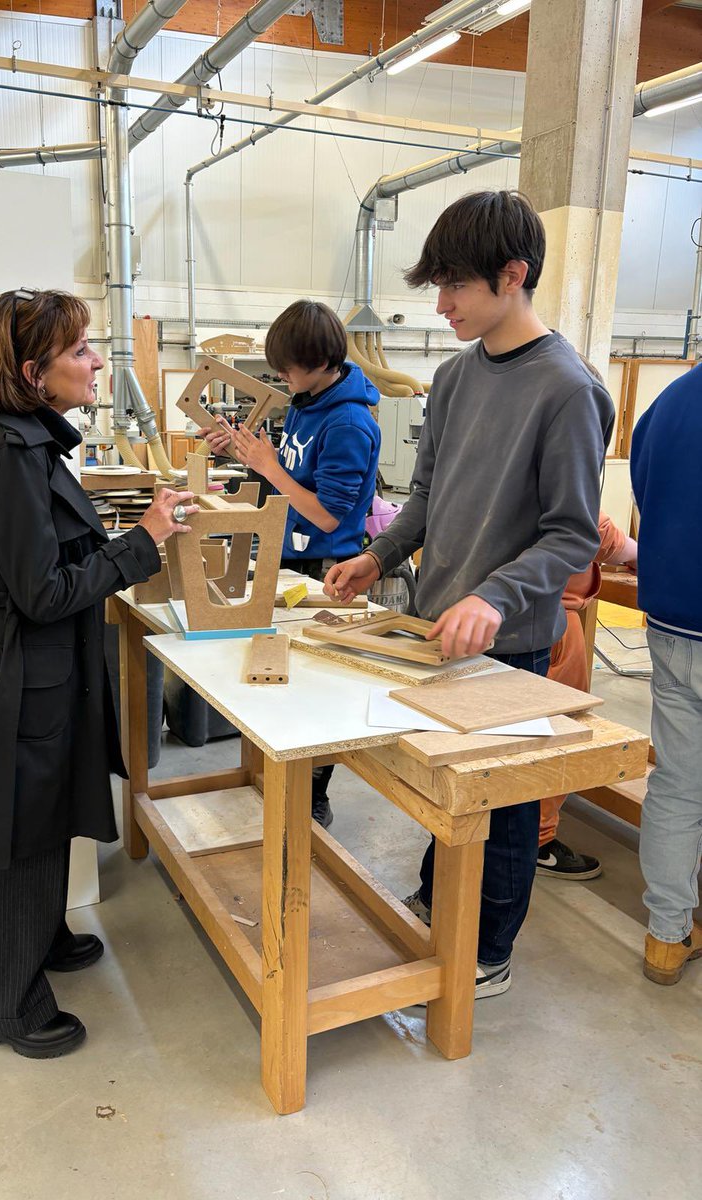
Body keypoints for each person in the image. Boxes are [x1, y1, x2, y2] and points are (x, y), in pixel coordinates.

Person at [325, 190, 614, 998]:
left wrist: (494, 595)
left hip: (512, 637)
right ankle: (436, 898)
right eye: (438, 285)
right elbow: (424, 495)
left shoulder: (568, 389)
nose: (442, 304)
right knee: (447, 790)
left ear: (513, 275)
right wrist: (373, 554)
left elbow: (570, 532)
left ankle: (486, 949)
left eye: (455, 286)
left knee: (504, 803)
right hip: (430, 627)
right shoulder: (453, 378)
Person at [0, 288, 196, 1057]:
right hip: (21, 670)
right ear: (32, 371)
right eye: (79, 350)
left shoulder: (27, 440)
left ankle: (41, 938)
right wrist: (141, 542)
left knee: (43, 814)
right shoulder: (9, 451)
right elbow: (42, 592)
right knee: (18, 829)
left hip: (34, 667)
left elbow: (46, 557)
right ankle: (4, 1008)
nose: (94, 361)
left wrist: (128, 532)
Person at [201, 299, 381, 828]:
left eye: (289, 368)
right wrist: (243, 452)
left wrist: (270, 467)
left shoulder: (349, 423)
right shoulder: (306, 400)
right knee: (283, 680)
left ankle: (313, 798)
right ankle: (285, 783)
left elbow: (326, 515)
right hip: (291, 556)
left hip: (330, 570)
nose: (281, 376)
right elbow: (289, 475)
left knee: (318, 695)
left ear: (324, 362)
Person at [630, 361, 702, 985]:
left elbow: (645, 494)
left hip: (674, 623)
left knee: (678, 787)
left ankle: (666, 937)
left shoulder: (670, 402)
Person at [538, 512, 637, 879]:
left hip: (515, 611)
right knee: (555, 734)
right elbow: (585, 521)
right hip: (551, 617)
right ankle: (538, 841)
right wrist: (635, 552)